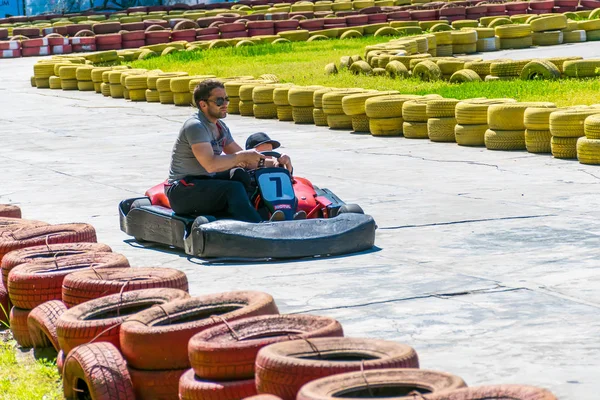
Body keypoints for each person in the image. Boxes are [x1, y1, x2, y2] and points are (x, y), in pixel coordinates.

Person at [165, 79, 292, 222]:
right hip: (182, 191)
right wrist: (241, 156)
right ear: (203, 104)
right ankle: (257, 226)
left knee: (240, 175)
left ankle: (271, 215)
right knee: (233, 189)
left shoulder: (221, 128)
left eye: (226, 99)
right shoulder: (196, 126)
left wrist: (276, 163)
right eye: (219, 101)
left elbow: (247, 159)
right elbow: (211, 165)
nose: (225, 104)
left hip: (204, 184)